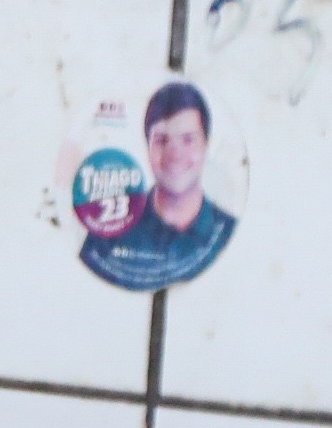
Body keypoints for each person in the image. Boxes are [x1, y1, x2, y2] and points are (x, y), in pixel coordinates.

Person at [87, 78, 236, 290]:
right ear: (146, 145)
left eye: (188, 139)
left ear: (206, 145)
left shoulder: (230, 235)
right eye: (161, 140)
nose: (174, 154)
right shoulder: (106, 233)